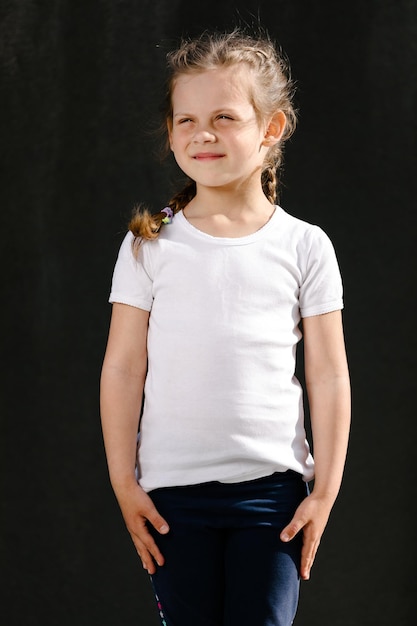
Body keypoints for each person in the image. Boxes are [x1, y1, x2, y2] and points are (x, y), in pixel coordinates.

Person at [100, 27, 351, 626]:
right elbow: (123, 365)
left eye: (223, 116)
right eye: (184, 120)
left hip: (274, 496)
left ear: (270, 129)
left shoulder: (305, 246)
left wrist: (325, 490)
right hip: (171, 498)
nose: (202, 133)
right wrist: (121, 478)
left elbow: (328, 373)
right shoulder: (148, 246)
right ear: (170, 133)